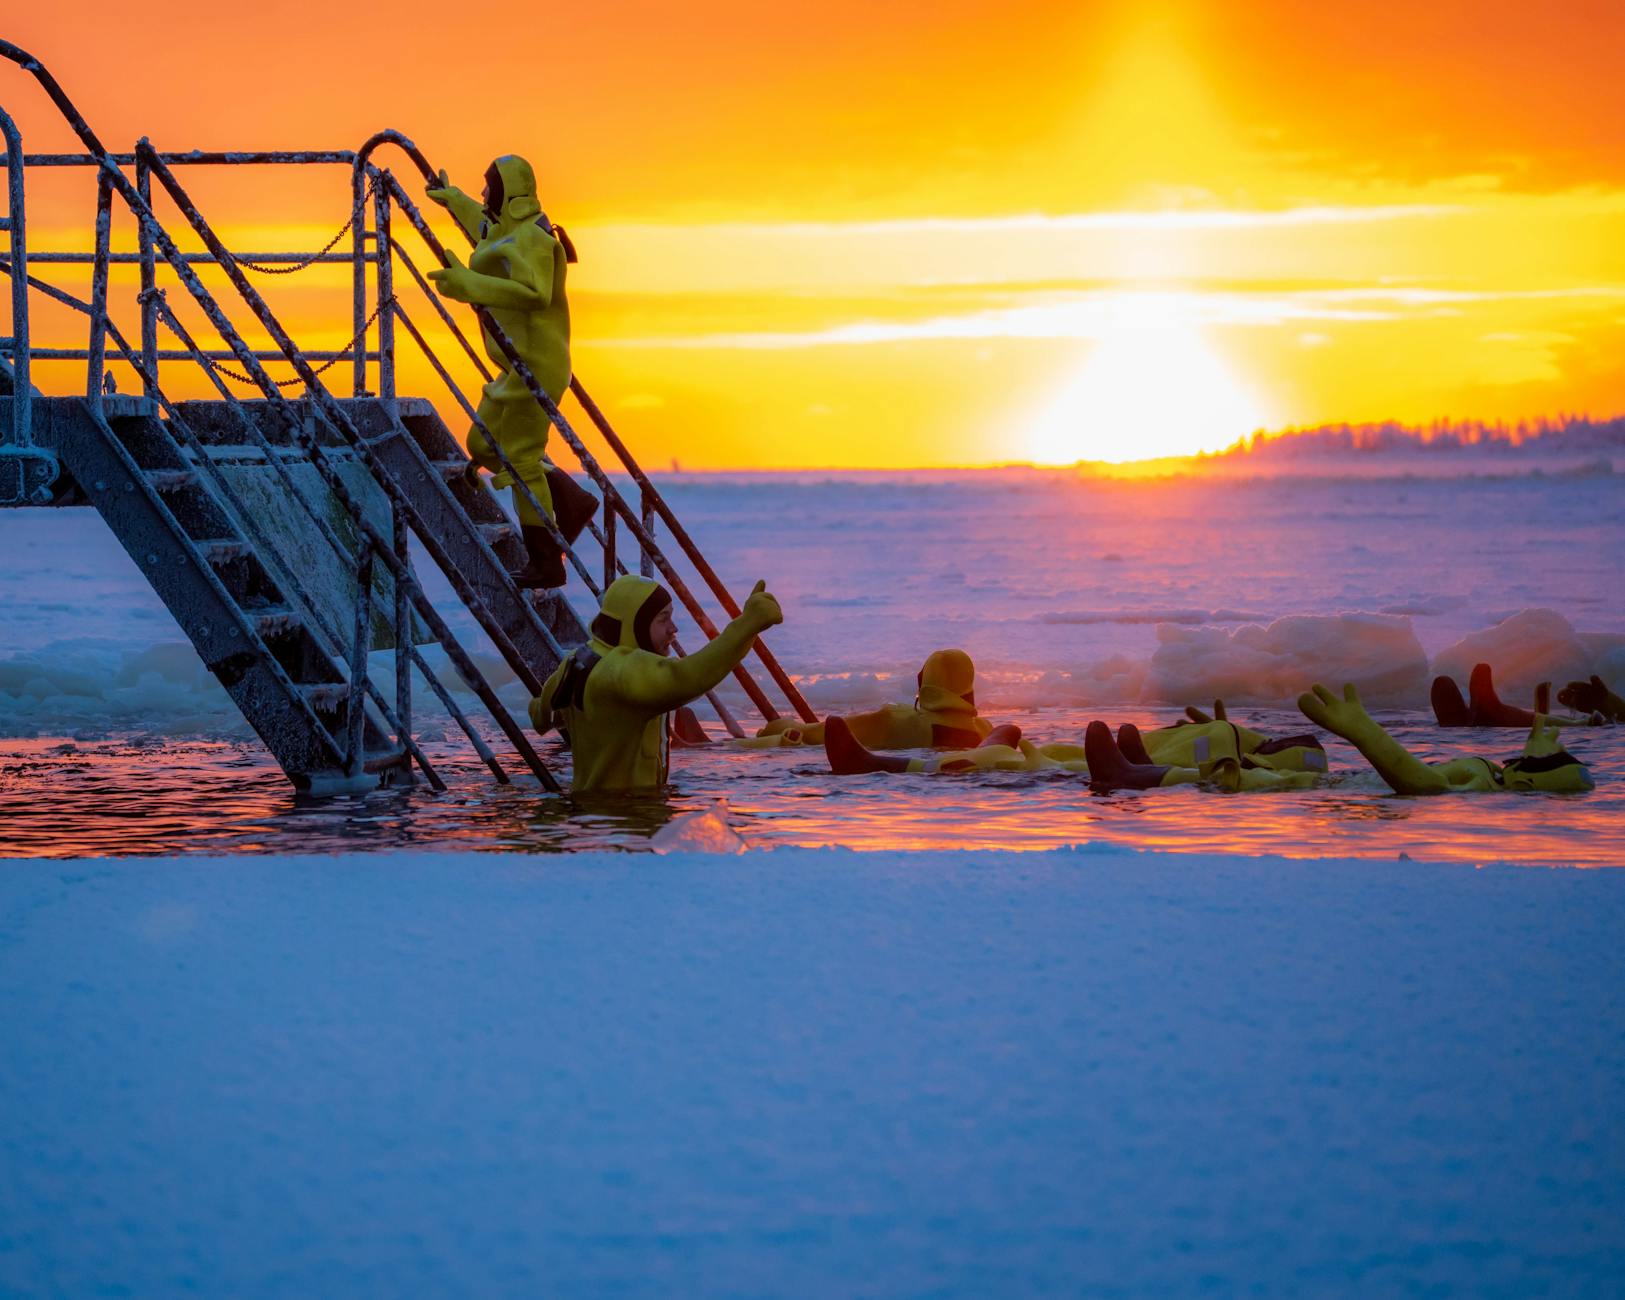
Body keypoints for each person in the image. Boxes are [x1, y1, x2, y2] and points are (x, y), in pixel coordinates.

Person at [427, 155, 596, 588]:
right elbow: (486, 233)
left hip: (536, 365)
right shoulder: (507, 229)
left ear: (508, 192)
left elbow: (536, 294)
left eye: (488, 188)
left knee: (520, 458)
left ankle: (545, 563)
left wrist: (470, 287)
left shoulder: (535, 240)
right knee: (481, 443)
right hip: (513, 367)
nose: (484, 195)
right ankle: (571, 500)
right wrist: (455, 200)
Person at [531, 573, 784, 792]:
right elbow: (687, 678)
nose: (673, 628)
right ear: (635, 625)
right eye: (663, 619)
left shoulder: (580, 659)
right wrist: (748, 625)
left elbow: (542, 713)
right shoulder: (622, 672)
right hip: (627, 816)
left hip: (592, 809)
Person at [1300, 681, 1593, 793]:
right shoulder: (1494, 775)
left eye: (1549, 756)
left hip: (1334, 784)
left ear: (1528, 781)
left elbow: (1431, 786)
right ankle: (1480, 715)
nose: (1552, 741)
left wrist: (1367, 734)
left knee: (1271, 778)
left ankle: (1487, 714)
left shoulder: (1483, 785)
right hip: (1347, 778)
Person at [755, 648, 999, 749]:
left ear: (926, 685)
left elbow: (817, 734)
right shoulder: (985, 731)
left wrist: (782, 727)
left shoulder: (896, 722)